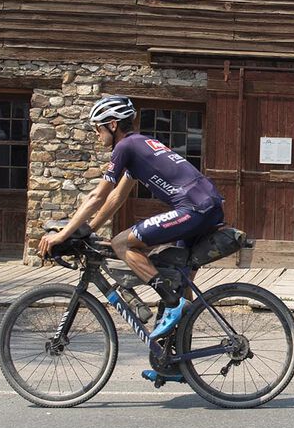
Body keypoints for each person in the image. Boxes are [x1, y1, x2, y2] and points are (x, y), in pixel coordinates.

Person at [36, 94, 226, 340]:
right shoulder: (140, 146)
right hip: (207, 207)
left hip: (193, 208)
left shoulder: (125, 147)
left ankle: (171, 304)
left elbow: (97, 196)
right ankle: (176, 361)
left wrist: (63, 234)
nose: (96, 134)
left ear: (112, 125)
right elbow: (117, 198)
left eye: (97, 128)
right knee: (181, 282)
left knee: (121, 243)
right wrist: (89, 229)